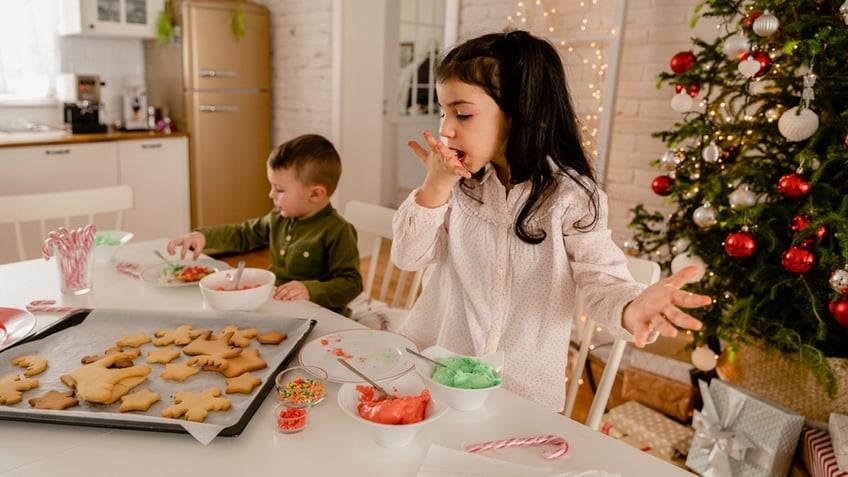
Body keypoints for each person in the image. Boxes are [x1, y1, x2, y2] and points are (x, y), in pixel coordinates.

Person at [391, 30, 712, 411]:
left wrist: (632, 306)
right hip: (436, 368)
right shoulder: (457, 185)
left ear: (520, 112)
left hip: (518, 392)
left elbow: (601, 280)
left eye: (462, 114)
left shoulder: (572, 197)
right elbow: (408, 258)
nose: (446, 128)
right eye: (444, 113)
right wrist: (434, 188)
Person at [167, 134, 363, 317]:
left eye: (279, 189)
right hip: (279, 306)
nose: (271, 195)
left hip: (320, 315)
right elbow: (243, 234)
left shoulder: (338, 231)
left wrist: (310, 289)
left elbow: (351, 284)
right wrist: (204, 236)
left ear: (315, 194)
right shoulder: (278, 218)